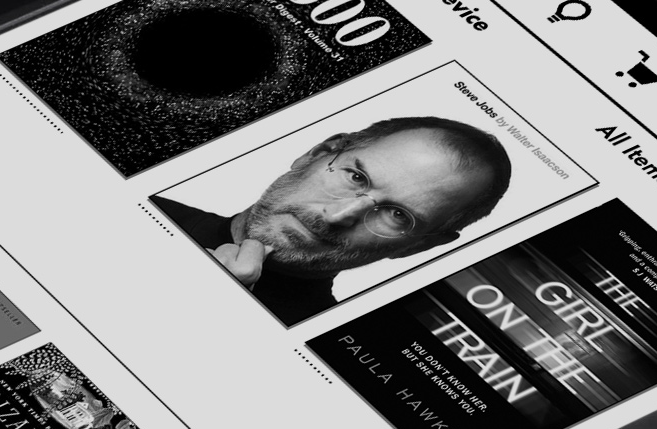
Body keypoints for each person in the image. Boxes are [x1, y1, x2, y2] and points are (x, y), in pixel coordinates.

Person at [152, 116, 512, 322]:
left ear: (418, 247)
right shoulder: (134, 211)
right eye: (356, 177)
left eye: (397, 215)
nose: (338, 215)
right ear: (316, 155)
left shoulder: (322, 360)